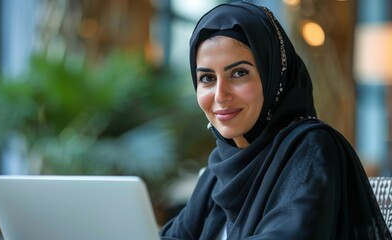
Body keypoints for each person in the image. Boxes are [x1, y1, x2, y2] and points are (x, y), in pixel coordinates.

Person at [159, 2, 391, 239]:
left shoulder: (311, 148)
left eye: (239, 73)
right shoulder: (218, 168)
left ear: (273, 78)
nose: (220, 95)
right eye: (207, 78)